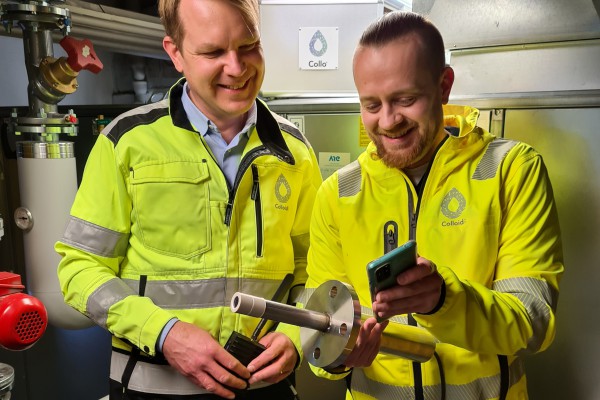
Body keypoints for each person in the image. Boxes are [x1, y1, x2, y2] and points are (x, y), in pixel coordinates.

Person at [55, 0, 322, 398]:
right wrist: (164, 333)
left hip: (265, 387)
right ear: (175, 53)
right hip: (152, 387)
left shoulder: (295, 152)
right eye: (213, 52)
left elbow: (313, 270)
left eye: (249, 45)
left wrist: (296, 336)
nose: (237, 67)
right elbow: (80, 269)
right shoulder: (126, 142)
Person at [305, 10, 564, 400]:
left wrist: (444, 301)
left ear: (444, 86)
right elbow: (319, 334)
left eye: (405, 99)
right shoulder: (338, 193)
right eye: (371, 105)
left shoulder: (512, 170)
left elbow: (534, 321)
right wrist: (339, 355)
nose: (388, 121)